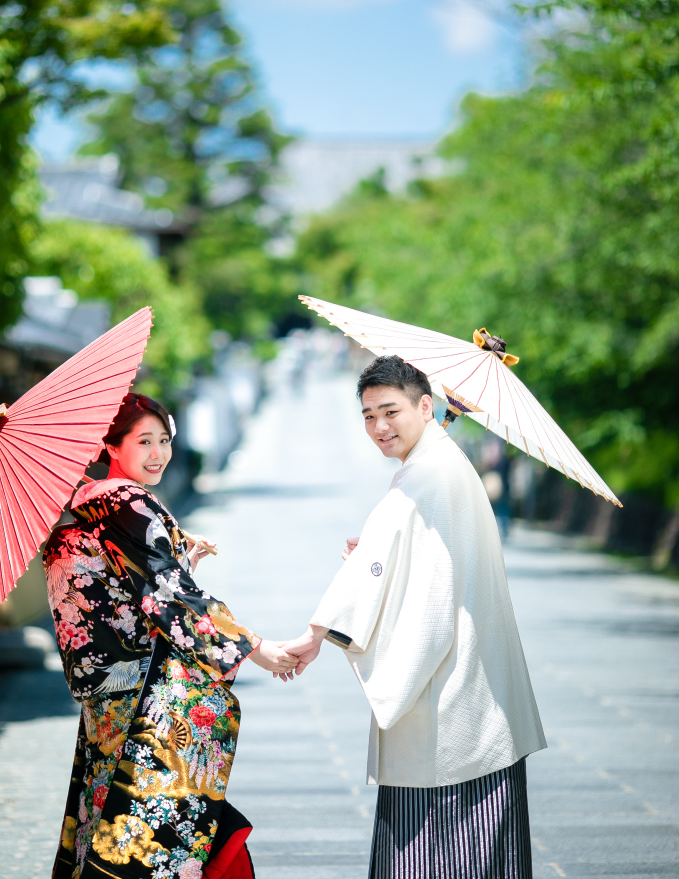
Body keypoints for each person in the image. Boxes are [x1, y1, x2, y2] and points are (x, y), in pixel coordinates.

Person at [284, 355, 546, 878]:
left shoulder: (426, 475)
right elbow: (408, 557)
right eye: (367, 415)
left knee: (436, 848)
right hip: (476, 687)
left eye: (391, 411)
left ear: (426, 406)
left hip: (452, 696)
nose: (379, 427)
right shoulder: (440, 463)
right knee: (478, 845)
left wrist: (313, 636)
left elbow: (379, 567)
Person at [43, 392, 296, 879]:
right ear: (111, 445)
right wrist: (255, 648)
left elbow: (122, 588)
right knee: (154, 835)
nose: (158, 453)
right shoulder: (126, 502)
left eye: (164, 439)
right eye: (144, 441)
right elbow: (166, 593)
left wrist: (178, 559)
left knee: (108, 818)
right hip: (145, 695)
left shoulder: (82, 506)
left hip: (107, 700)